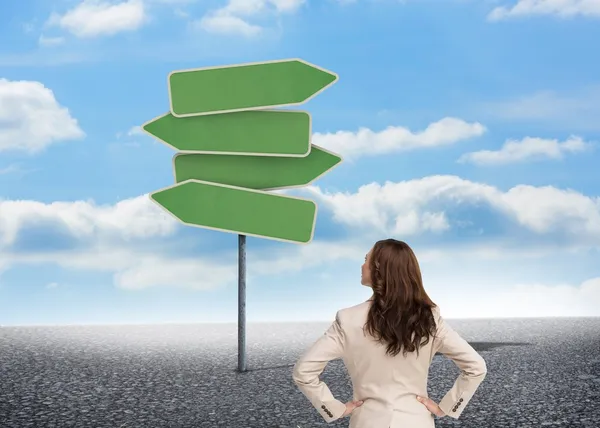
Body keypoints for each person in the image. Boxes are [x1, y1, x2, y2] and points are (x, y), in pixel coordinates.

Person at [292, 239, 487, 428]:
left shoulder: (347, 319)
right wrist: (445, 407)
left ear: (379, 269)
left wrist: (334, 409)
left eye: (366, 260)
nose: (362, 266)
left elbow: (303, 372)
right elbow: (476, 367)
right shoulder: (430, 319)